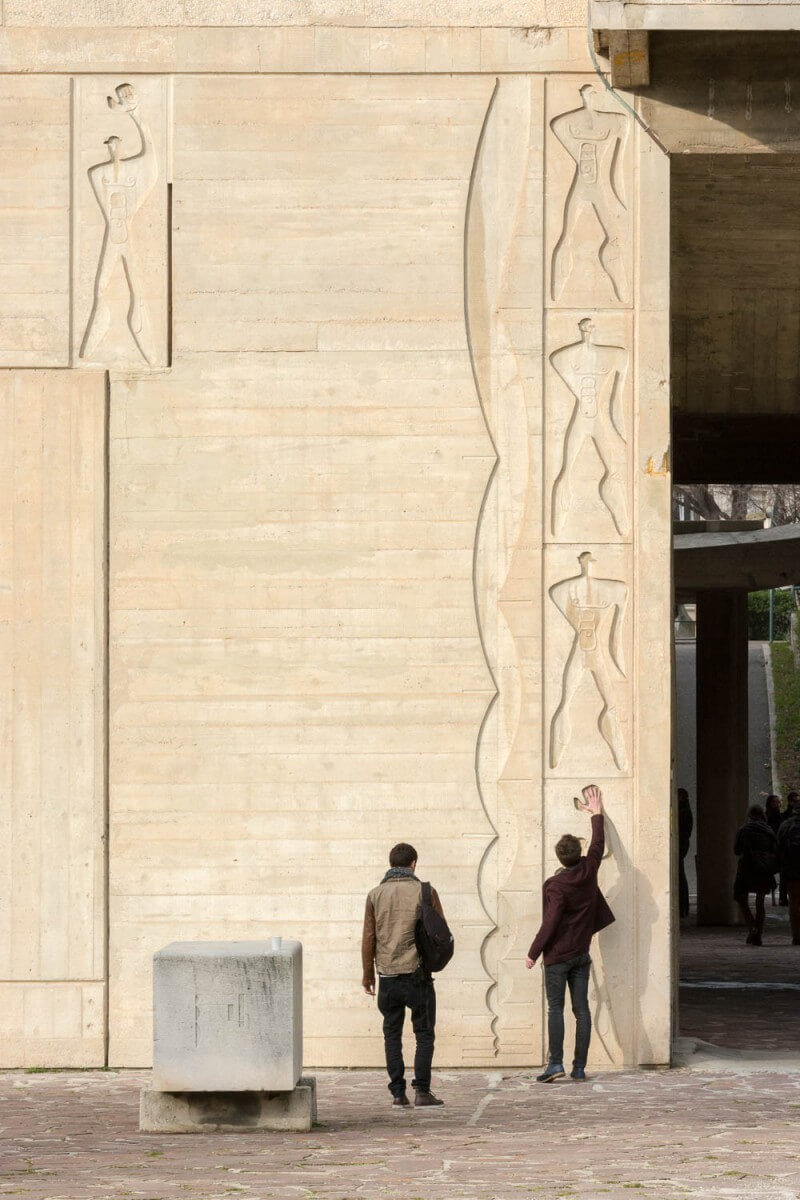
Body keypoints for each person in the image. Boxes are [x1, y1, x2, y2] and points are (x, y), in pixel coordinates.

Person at [525, 783, 615, 1083]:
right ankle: (579, 1067)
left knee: (555, 1009)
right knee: (582, 1010)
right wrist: (596, 813)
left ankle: (555, 1064)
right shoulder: (589, 870)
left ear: (559, 857)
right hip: (581, 954)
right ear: (578, 853)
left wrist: (533, 953)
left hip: (558, 957)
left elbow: (550, 922)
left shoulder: (556, 885)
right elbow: (598, 844)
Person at [361, 843, 445, 1107]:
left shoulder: (375, 895)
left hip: (387, 976)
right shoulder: (425, 891)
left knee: (391, 1035)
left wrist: (368, 975)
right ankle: (422, 1091)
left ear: (390, 864)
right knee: (424, 1034)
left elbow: (368, 938)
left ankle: (398, 1093)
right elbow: (441, 932)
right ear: (413, 864)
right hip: (418, 975)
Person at [733, 805, 777, 946]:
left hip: (746, 868)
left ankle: (752, 927)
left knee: (742, 899)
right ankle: (758, 935)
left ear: (750, 815)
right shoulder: (769, 830)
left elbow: (736, 850)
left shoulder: (743, 830)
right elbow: (775, 850)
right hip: (764, 869)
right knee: (760, 902)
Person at [777, 799, 800, 945]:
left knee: (794, 902)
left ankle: (796, 936)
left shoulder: (785, 825)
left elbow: (778, 846)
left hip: (791, 870)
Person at [677, 788, 693, 919]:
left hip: (680, 844)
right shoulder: (685, 810)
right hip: (683, 844)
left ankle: (682, 907)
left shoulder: (682, 811)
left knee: (680, 875)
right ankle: (683, 907)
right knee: (680, 874)